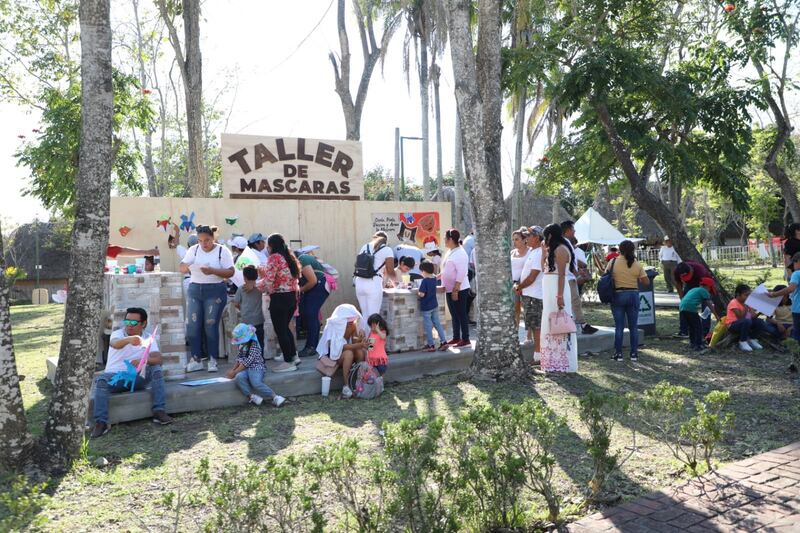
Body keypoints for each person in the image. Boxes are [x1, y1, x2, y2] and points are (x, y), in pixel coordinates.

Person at [91, 307, 172, 438]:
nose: (129, 326)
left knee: (156, 369)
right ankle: (101, 422)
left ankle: (159, 411)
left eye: (133, 323)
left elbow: (158, 359)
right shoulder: (118, 334)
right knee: (101, 380)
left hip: (137, 378)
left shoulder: (148, 338)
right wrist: (129, 340)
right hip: (116, 378)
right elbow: (115, 344)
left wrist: (144, 360)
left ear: (143, 324)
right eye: (127, 322)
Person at [181, 225, 235, 373]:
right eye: (200, 240)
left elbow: (230, 272)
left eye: (207, 240)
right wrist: (188, 266)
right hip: (195, 290)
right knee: (192, 325)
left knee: (210, 326)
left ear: (213, 238)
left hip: (214, 290)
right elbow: (182, 267)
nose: (203, 244)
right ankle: (196, 359)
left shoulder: (222, 251)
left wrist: (212, 270)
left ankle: (212, 360)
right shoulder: (194, 250)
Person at [258, 233, 302, 372]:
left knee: (280, 330)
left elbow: (269, 281)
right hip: (291, 297)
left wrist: (255, 285)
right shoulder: (289, 257)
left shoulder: (274, 257)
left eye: (268, 246)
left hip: (279, 298)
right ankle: (294, 356)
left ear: (271, 246)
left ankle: (288, 362)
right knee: (285, 328)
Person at [540, 223, 578, 372]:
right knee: (549, 321)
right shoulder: (551, 250)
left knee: (560, 321)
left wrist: (559, 295)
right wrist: (543, 253)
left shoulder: (561, 249)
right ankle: (550, 361)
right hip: (548, 287)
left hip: (557, 287)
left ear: (550, 235)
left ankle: (564, 362)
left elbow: (562, 275)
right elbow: (543, 268)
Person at [606, 240, 650, 362]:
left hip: (618, 295)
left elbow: (606, 276)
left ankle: (618, 354)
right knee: (633, 326)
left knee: (619, 326)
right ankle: (634, 354)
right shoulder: (636, 264)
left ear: (620, 249)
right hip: (633, 294)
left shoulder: (613, 262)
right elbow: (646, 282)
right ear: (633, 250)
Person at [225, 323, 286, 407]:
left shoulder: (254, 345)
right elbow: (239, 358)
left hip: (256, 368)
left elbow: (247, 362)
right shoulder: (242, 345)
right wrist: (233, 370)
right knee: (239, 377)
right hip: (246, 369)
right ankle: (252, 396)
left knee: (256, 382)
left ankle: (275, 397)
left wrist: (234, 372)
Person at [317, 304, 367, 399]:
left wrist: (360, 338)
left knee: (360, 352)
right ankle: (346, 386)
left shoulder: (352, 325)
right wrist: (359, 344)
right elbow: (340, 347)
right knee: (349, 353)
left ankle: (359, 381)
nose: (351, 323)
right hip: (333, 356)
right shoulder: (334, 326)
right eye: (348, 321)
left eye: (352, 321)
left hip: (344, 352)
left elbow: (355, 342)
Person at [561, 220, 597, 334]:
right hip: (567, 278)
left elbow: (573, 261)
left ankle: (580, 324)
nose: (575, 231)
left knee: (574, 302)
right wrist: (577, 274)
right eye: (573, 229)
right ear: (567, 231)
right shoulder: (565, 244)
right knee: (574, 302)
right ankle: (580, 324)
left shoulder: (565, 243)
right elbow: (569, 261)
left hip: (569, 277)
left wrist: (578, 271)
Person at [354, 231, 396, 331]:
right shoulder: (387, 249)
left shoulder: (365, 246)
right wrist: (397, 281)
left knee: (365, 315)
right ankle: (371, 346)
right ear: (386, 241)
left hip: (359, 282)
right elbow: (390, 271)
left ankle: (362, 343)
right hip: (373, 283)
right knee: (373, 317)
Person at [439, 228, 471, 349]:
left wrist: (456, 290)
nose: (444, 240)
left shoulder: (460, 253)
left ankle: (466, 338)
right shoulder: (451, 251)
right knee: (454, 314)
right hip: (449, 289)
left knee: (461, 313)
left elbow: (461, 273)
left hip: (459, 289)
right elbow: (447, 269)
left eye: (445, 238)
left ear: (451, 239)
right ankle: (456, 336)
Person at [515, 226, 544, 356]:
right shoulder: (533, 251)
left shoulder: (539, 253)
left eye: (529, 236)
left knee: (536, 326)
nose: (526, 238)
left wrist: (519, 286)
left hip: (535, 296)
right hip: (529, 294)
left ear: (537, 237)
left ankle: (538, 355)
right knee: (533, 325)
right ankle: (537, 354)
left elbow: (532, 277)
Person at [297, 246, 329, 358]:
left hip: (319, 284)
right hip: (316, 285)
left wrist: (299, 291)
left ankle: (311, 347)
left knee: (311, 314)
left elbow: (313, 281)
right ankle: (312, 345)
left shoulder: (302, 259)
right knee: (308, 314)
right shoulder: (300, 259)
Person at [673, 260, 714, 337]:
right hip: (689, 285)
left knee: (706, 307)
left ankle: (704, 332)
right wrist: (683, 300)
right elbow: (678, 285)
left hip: (703, 284)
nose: (685, 277)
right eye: (683, 277)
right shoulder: (677, 271)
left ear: (691, 270)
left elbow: (706, 289)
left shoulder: (700, 270)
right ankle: (683, 331)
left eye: (687, 275)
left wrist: (707, 299)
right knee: (684, 306)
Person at [678, 277, 717, 353]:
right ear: (707, 286)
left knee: (691, 327)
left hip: (682, 308)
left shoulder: (694, 289)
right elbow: (709, 303)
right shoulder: (703, 290)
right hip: (691, 308)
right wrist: (716, 315)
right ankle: (698, 345)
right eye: (710, 289)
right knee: (698, 327)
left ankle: (692, 343)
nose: (709, 291)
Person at [726, 284, 768, 351]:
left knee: (760, 322)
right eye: (746, 295)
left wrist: (760, 311)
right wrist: (746, 306)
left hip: (746, 322)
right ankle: (743, 341)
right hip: (733, 325)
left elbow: (753, 316)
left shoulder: (748, 303)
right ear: (738, 294)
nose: (748, 297)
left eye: (749, 295)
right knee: (746, 321)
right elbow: (740, 317)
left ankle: (752, 339)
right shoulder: (734, 303)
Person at [768, 254, 800, 342]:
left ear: (797, 262)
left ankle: (796, 353)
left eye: (793, 263)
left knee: (797, 334)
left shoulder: (796, 274)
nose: (793, 266)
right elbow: (768, 317)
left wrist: (774, 294)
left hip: (798, 309)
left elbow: (791, 288)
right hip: (783, 323)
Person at [418, 261, 447, 352]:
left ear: (424, 271)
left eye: (421, 271)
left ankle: (431, 345)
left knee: (428, 325)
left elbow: (422, 294)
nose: (421, 273)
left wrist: (419, 292)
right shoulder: (434, 279)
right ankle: (444, 342)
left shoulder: (424, 281)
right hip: (434, 305)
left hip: (426, 307)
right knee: (437, 324)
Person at [233, 266, 264, 347]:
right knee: (259, 341)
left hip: (246, 320)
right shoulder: (259, 288)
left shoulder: (241, 288)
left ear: (244, 277)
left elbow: (236, 303)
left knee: (247, 343)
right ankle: (260, 358)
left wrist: (241, 308)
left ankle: (249, 358)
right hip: (259, 319)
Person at [510, 227, 531, 326]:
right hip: (513, 284)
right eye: (513, 239)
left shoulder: (530, 251)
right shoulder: (512, 252)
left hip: (526, 284)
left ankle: (529, 336)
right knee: (515, 309)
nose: (514, 242)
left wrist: (520, 283)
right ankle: (515, 331)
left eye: (517, 239)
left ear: (524, 240)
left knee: (527, 310)